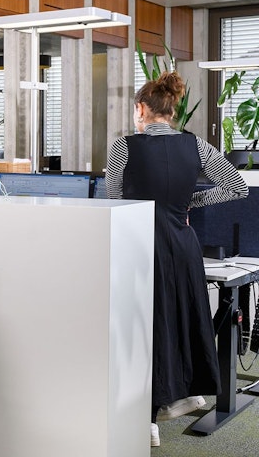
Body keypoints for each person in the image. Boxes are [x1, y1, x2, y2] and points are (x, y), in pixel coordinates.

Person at [105, 72, 247, 447]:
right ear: (172, 110)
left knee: (143, 329)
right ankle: (183, 395)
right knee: (181, 319)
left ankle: (147, 418)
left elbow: (115, 202)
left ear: (141, 109)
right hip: (184, 245)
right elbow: (238, 186)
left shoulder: (124, 147)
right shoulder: (196, 145)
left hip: (139, 245)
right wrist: (190, 203)